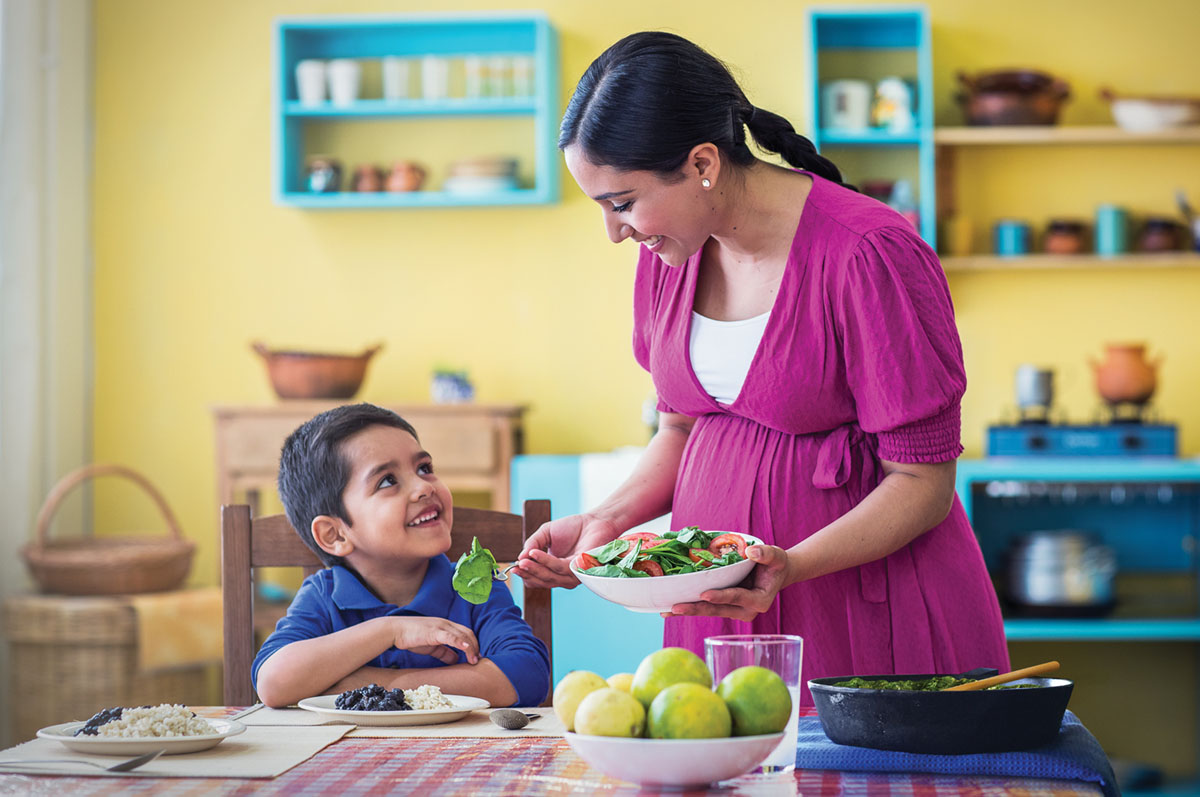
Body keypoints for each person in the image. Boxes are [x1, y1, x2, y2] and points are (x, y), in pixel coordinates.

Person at [513, 31, 1009, 704]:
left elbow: (922, 480)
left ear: (702, 163)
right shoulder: (669, 256)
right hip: (721, 611)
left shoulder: (870, 254)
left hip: (861, 609)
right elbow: (681, 428)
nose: (615, 232)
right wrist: (607, 523)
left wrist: (790, 566)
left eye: (622, 202)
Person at [253, 403, 550, 709]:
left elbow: (527, 675)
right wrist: (391, 630)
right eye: (387, 481)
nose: (423, 487)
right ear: (336, 535)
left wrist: (374, 686)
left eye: (424, 468)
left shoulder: (474, 585)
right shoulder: (323, 596)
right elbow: (274, 684)